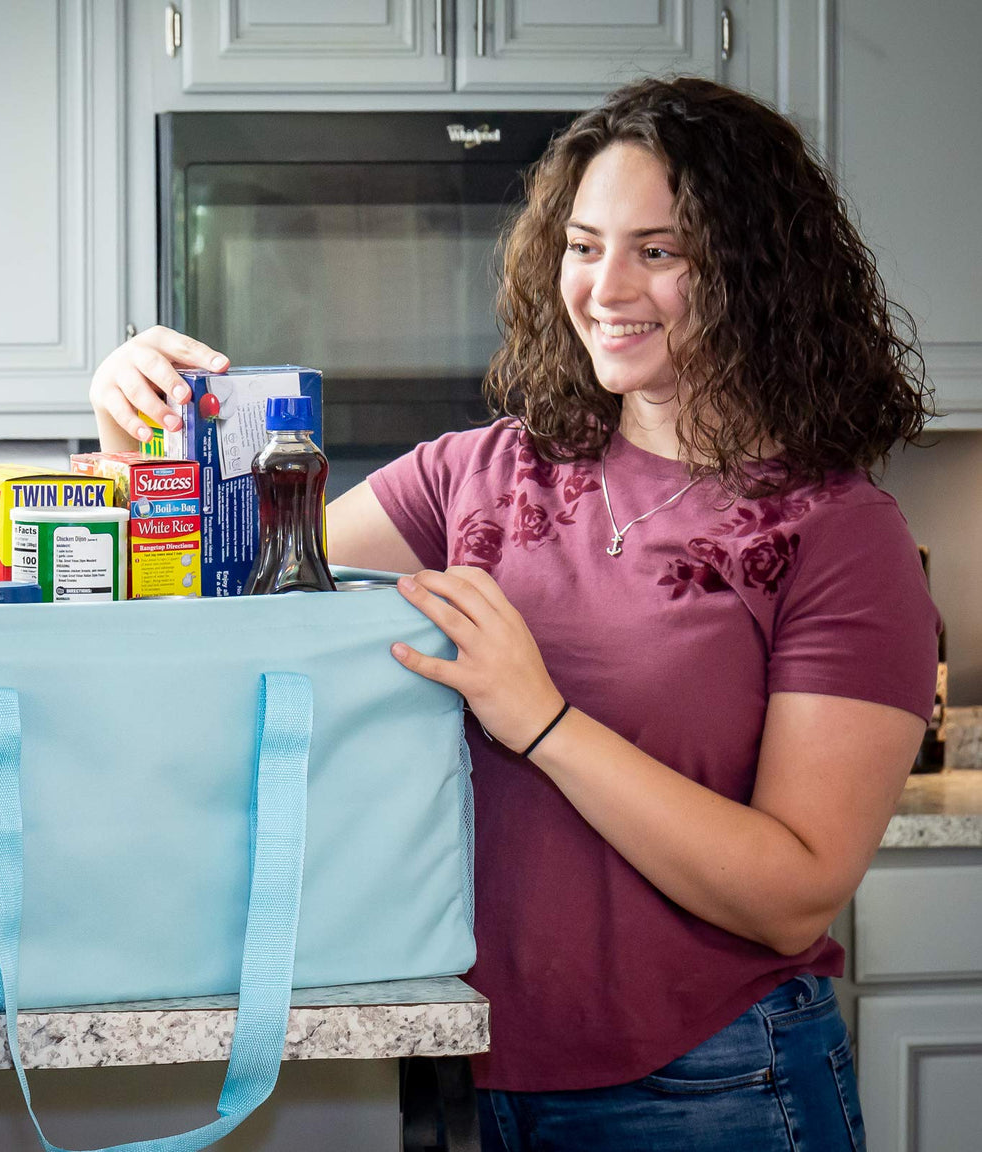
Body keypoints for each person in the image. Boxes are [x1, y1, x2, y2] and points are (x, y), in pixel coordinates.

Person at [88, 77, 939, 1151]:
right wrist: (138, 446)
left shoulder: (835, 534)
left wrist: (537, 719)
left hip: (715, 1086)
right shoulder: (478, 476)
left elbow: (794, 891)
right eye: (583, 245)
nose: (604, 285)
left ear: (759, 273)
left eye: (657, 250)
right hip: (472, 1076)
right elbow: (227, 603)